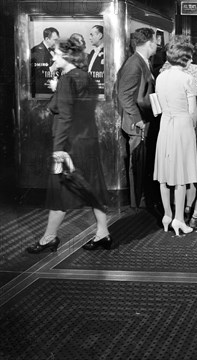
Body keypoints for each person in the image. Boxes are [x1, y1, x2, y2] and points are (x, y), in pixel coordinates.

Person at [27, 37, 111, 254]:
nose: (52, 56)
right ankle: (103, 233)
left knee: (59, 190)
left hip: (69, 145)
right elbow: (76, 110)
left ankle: (49, 238)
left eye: (55, 53)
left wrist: (58, 149)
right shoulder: (87, 78)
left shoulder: (66, 80)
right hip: (88, 141)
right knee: (92, 187)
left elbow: (62, 115)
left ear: (65, 55)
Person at [159, 36, 197, 218]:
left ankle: (169, 211)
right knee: (187, 167)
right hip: (187, 124)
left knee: (167, 168)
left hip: (166, 123)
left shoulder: (162, 71)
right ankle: (187, 207)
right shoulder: (193, 72)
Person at [154, 38, 197, 236]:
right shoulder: (187, 78)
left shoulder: (160, 77)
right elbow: (192, 112)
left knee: (164, 175)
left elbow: (159, 105)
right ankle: (179, 219)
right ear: (186, 59)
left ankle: (167, 215)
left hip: (165, 124)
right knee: (181, 177)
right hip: (182, 126)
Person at [117, 28, 160, 214]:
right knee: (137, 162)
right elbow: (124, 95)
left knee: (141, 162)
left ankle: (140, 198)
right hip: (138, 123)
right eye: (156, 41)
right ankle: (136, 202)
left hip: (143, 119)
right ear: (149, 42)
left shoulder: (143, 62)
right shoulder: (134, 64)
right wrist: (137, 119)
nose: (158, 45)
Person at [31, 27, 60, 97]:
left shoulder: (54, 50)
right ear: (47, 39)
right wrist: (51, 69)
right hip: (42, 93)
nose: (57, 42)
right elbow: (36, 73)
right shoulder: (37, 51)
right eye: (55, 40)